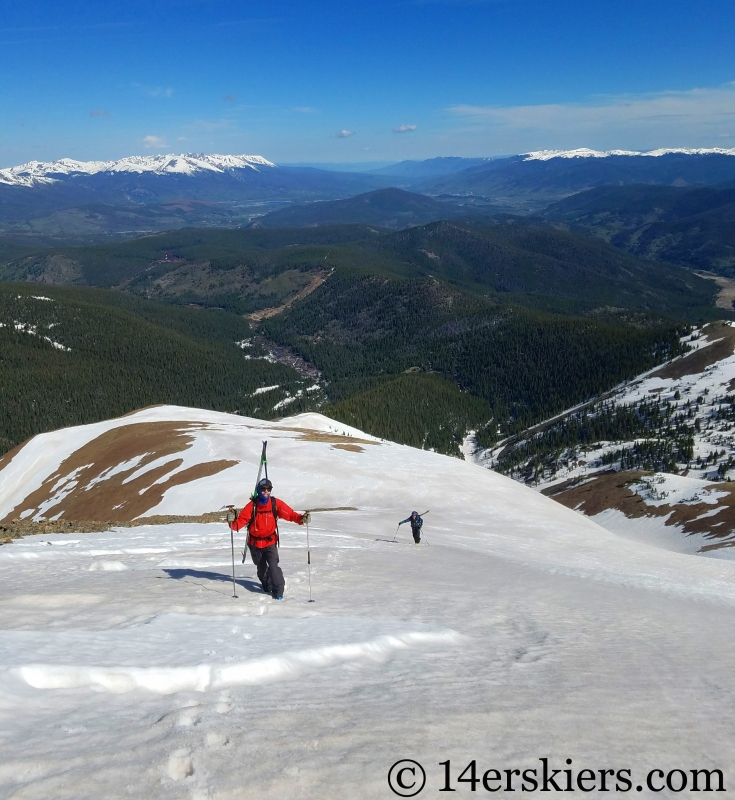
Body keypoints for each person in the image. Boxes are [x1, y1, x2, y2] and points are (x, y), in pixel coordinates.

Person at [230, 478, 308, 600]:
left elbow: (290, 514)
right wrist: (231, 520)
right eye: (263, 489)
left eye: (268, 489)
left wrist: (301, 519)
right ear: (258, 490)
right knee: (261, 569)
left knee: (273, 567)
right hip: (255, 544)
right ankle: (267, 585)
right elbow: (238, 524)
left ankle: (278, 591)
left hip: (270, 542)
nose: (266, 491)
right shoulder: (252, 506)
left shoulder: (275, 504)